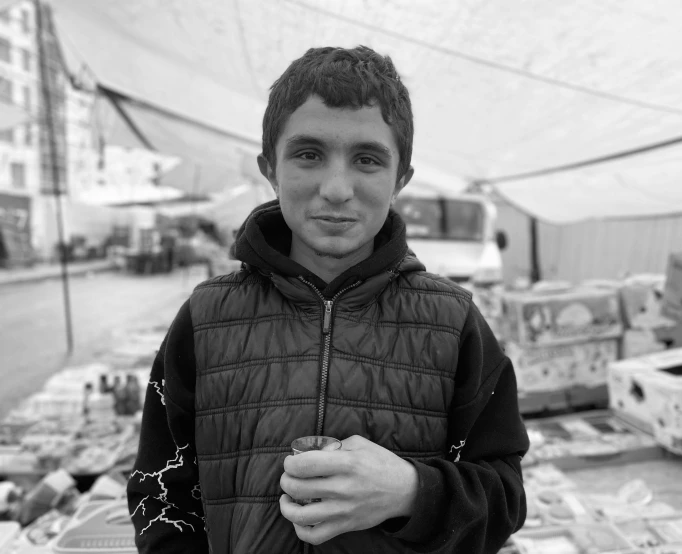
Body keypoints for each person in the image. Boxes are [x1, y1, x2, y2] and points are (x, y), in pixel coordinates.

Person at [127, 45, 529, 554]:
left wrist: (412, 491)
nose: (337, 188)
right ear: (270, 168)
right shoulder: (206, 317)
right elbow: (160, 492)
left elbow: (505, 496)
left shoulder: (454, 322)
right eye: (308, 154)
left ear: (400, 178)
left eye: (367, 159)